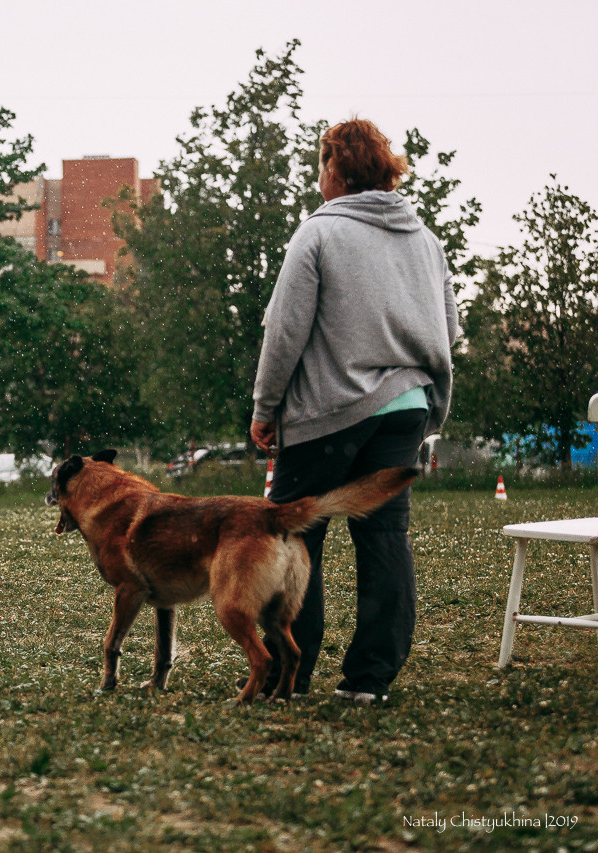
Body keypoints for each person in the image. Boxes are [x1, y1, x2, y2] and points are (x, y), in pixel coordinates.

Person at [249, 118, 460, 703]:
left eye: (322, 163)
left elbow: (284, 333)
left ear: (337, 171)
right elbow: (450, 326)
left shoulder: (317, 234)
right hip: (406, 410)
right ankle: (370, 681)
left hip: (328, 413)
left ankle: (289, 676)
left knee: (292, 538)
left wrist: (265, 408)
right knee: (385, 539)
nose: (319, 175)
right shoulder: (425, 239)